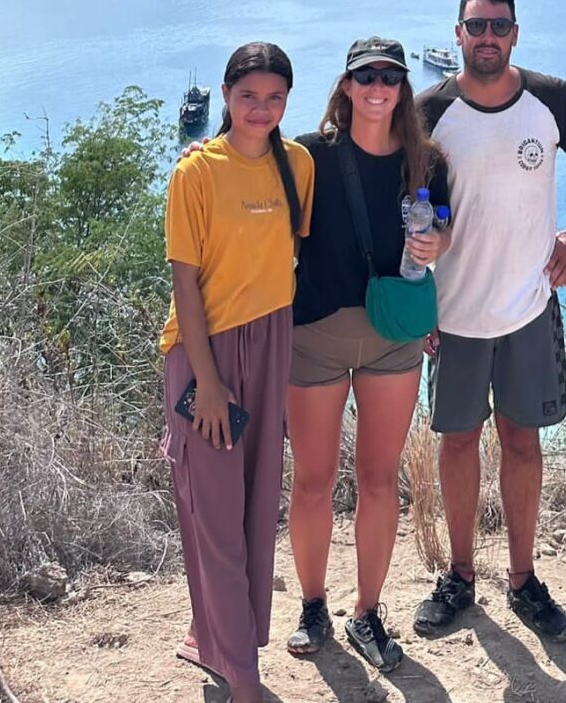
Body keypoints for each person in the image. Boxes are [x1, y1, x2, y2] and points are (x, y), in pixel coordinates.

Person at [412, 0, 566, 642]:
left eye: (499, 26)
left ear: (515, 33)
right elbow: (405, 201)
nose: (487, 37)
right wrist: (418, 296)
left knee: (523, 442)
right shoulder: (430, 111)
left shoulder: (550, 99)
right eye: (476, 26)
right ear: (458, 33)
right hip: (455, 313)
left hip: (528, 309)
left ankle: (523, 579)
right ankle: (460, 576)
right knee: (457, 443)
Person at [285, 37, 450, 672]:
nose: (378, 87)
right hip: (317, 331)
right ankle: (312, 606)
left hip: (393, 335)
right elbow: (248, 172)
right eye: (366, 76)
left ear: (402, 87)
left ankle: (368, 612)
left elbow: (442, 224)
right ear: (347, 87)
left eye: (389, 77)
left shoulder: (426, 161)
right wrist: (202, 153)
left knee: (380, 481)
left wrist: (437, 243)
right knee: (313, 481)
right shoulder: (310, 155)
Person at [161, 43, 315, 703]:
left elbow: (287, 255)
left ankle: (218, 636)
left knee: (254, 507)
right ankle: (243, 675)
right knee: (215, 509)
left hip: (271, 338)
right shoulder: (196, 172)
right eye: (248, 95)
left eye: (274, 97)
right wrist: (208, 382)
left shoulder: (298, 164)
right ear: (225, 96)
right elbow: (185, 282)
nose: (261, 108)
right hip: (205, 349)